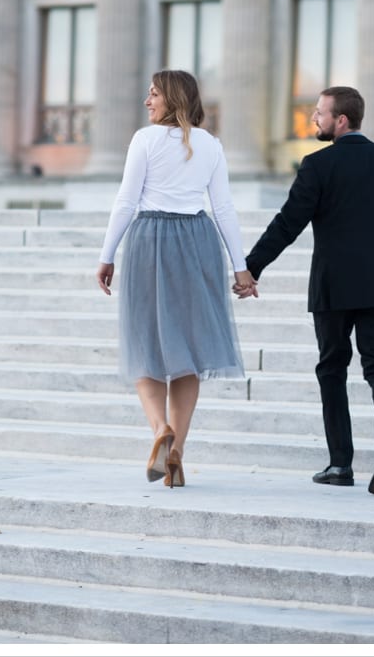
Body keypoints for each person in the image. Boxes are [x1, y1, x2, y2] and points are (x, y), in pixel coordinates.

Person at [235, 86, 374, 496]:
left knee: (332, 369)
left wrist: (250, 268)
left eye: (320, 113)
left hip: (334, 286)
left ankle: (340, 465)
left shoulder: (318, 166)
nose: (314, 120)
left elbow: (289, 223)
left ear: (341, 120)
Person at [96, 69, 258, 488]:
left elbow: (126, 201)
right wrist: (240, 266)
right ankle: (178, 453)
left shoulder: (144, 140)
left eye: (153, 94)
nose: (147, 102)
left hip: (151, 238)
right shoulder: (211, 144)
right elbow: (223, 208)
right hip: (198, 240)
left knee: (144, 341)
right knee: (189, 348)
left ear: (171, 98)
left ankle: (160, 432)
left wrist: (106, 254)